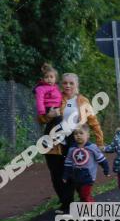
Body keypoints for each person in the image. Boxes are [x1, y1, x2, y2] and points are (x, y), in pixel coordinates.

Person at [37, 72, 105, 213]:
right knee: (57, 174)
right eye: (65, 83)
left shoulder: (83, 101)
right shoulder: (55, 97)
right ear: (61, 84)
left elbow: (93, 122)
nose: (67, 85)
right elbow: (41, 119)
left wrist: (99, 141)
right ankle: (66, 203)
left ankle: (83, 201)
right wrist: (48, 116)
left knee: (77, 172)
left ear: (76, 85)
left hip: (75, 140)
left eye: (71, 83)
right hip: (54, 142)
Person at [63, 126, 110, 204]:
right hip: (76, 176)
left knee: (85, 194)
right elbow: (68, 163)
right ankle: (89, 205)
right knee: (82, 195)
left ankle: (88, 211)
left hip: (89, 176)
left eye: (81, 133)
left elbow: (102, 160)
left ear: (87, 135)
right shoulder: (72, 149)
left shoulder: (92, 147)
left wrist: (106, 170)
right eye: (75, 134)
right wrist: (65, 175)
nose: (78, 135)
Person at [33, 63, 63, 135]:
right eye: (46, 77)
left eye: (51, 77)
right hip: (48, 108)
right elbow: (39, 100)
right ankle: (60, 135)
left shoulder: (56, 88)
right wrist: (42, 111)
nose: (49, 79)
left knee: (50, 124)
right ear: (43, 79)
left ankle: (45, 139)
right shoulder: (41, 88)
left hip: (55, 108)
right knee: (58, 120)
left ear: (55, 79)